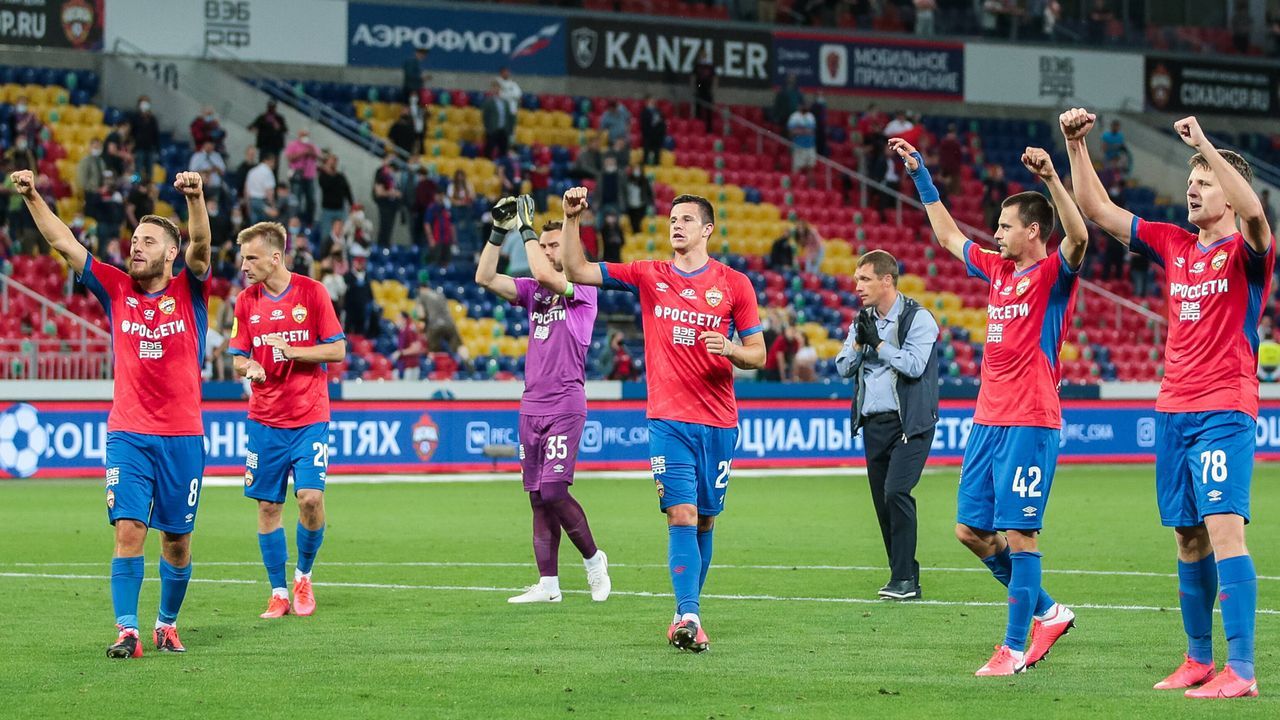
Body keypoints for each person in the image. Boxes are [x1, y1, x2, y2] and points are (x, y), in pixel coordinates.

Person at [1061, 108, 1272, 699]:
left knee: (1224, 532)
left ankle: (1243, 669)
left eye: (1204, 182)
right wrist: (1076, 146)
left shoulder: (1249, 251)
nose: (1192, 190)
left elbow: (1257, 214)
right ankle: (1199, 658)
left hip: (1224, 407)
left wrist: (1204, 143)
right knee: (1186, 536)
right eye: (1190, 180)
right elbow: (1098, 209)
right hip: (1174, 408)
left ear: (1228, 194)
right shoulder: (1174, 244)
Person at [891, 135, 1087, 676]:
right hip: (988, 420)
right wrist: (920, 175)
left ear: (1033, 231)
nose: (995, 234)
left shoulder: (1053, 275)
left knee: (1021, 534)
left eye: (1004, 226)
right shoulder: (998, 271)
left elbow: (1078, 236)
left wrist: (1052, 179)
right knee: (971, 531)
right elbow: (948, 235)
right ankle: (1049, 611)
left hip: (1030, 419)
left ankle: (1013, 649)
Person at [14, 168, 212, 657]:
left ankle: (167, 624)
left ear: (171, 252)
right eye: (134, 240)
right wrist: (33, 195)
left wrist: (196, 198)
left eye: (148, 242)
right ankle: (128, 631)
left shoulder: (190, 290)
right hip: (128, 434)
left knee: (177, 543)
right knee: (129, 530)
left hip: (183, 437)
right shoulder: (117, 288)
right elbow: (63, 242)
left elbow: (203, 246)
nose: (136, 247)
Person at [562, 188, 766, 653]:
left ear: (707, 229)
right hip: (668, 420)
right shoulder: (649, 274)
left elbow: (758, 353)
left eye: (687, 219)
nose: (676, 225)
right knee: (682, 513)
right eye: (672, 219)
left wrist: (730, 348)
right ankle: (690, 614)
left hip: (718, 422)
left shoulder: (734, 284)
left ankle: (683, 612)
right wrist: (572, 219)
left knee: (706, 521)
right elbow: (576, 270)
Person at [475, 193, 611, 604]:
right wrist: (498, 231)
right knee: (537, 496)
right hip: (531, 404)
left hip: (565, 402)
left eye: (556, 245)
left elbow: (545, 272)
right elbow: (484, 277)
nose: (549, 251)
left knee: (553, 490)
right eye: (546, 245)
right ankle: (548, 584)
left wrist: (526, 229)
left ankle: (594, 560)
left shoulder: (582, 288)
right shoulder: (534, 291)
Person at [228, 221, 345, 619]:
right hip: (265, 419)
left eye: (251, 258)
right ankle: (278, 592)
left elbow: (337, 350)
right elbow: (238, 356)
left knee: (310, 499)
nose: (244, 266)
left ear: (275, 257)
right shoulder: (245, 301)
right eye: (243, 258)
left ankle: (303, 576)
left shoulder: (313, 293)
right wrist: (250, 368)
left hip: (309, 416)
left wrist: (295, 352)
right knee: (267, 507)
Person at [836, 249, 940, 600]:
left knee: (896, 491)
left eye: (864, 279)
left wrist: (878, 344)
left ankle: (904, 578)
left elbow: (913, 365)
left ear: (886, 281)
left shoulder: (918, 319)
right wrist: (858, 342)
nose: (857, 286)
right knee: (883, 503)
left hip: (909, 422)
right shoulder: (862, 320)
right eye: (856, 279)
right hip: (874, 423)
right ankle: (904, 576)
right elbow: (843, 367)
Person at [284, 130, 320, 225]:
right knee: (296, 200)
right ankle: (294, 221)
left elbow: (318, 156)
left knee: (311, 200)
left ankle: (309, 222)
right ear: (299, 135)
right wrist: (302, 153)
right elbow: (289, 157)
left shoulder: (312, 146)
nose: (305, 136)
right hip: (297, 176)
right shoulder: (293, 145)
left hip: (309, 176)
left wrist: (311, 151)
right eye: (303, 135)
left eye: (306, 135)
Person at [250, 101, 288, 171]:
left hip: (275, 147)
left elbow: (285, 130)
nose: (271, 109)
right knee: (262, 164)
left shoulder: (279, 118)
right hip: (264, 145)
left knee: (274, 167)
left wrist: (278, 126)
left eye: (273, 107)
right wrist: (254, 129)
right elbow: (252, 126)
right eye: (270, 107)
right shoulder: (262, 117)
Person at [129, 96, 160, 182]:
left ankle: (148, 186)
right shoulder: (135, 118)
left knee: (149, 171)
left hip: (150, 149)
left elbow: (156, 135)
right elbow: (132, 133)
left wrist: (157, 149)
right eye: (143, 102)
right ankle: (136, 185)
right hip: (138, 149)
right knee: (137, 170)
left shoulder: (152, 119)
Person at [482, 81, 512, 160]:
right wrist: (488, 128)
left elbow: (509, 116)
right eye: (494, 88)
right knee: (489, 150)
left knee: (503, 151)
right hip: (493, 130)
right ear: (491, 89)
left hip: (503, 130)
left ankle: (502, 164)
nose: (496, 90)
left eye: (498, 88)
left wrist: (508, 129)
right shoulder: (488, 102)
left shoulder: (505, 102)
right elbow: (485, 117)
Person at [787, 102, 818, 176]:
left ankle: (809, 183)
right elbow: (792, 132)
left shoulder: (811, 116)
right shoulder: (794, 117)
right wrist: (805, 131)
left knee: (811, 166)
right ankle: (796, 182)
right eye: (804, 106)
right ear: (800, 106)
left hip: (810, 146)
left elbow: (812, 131)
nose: (806, 107)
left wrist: (800, 130)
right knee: (797, 168)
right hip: (799, 146)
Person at [691, 48, 717, 133]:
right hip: (699, 88)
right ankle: (697, 128)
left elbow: (714, 77)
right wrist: (693, 88)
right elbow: (693, 77)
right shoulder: (697, 65)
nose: (703, 57)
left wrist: (714, 89)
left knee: (709, 110)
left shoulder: (710, 65)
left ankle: (709, 129)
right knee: (698, 110)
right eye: (702, 55)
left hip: (708, 89)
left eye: (704, 55)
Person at [640, 95, 667, 167]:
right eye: (650, 101)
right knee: (646, 155)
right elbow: (644, 126)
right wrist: (650, 134)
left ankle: (656, 168)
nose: (652, 102)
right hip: (648, 137)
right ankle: (645, 168)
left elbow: (663, 124)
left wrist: (660, 134)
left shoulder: (659, 111)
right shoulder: (644, 112)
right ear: (647, 102)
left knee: (657, 156)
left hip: (657, 138)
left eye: (653, 101)